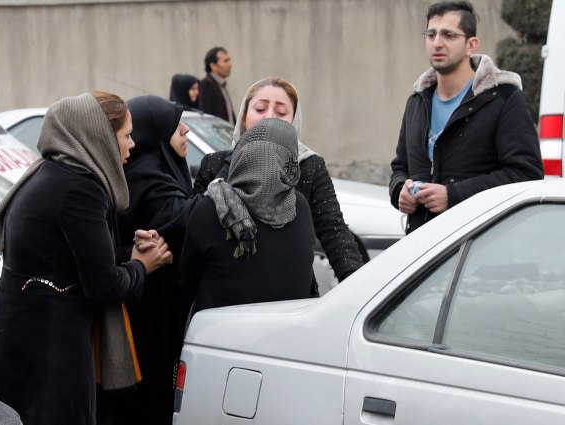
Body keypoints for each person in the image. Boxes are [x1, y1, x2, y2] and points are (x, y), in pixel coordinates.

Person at [0, 91, 173, 425]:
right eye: (126, 136)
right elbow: (103, 284)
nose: (132, 145)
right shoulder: (80, 188)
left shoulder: (49, 174)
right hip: (47, 354)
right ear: (101, 139)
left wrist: (130, 253)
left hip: (18, 340)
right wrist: (142, 266)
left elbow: (68, 259)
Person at [193, 77, 364, 290]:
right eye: (260, 108)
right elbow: (193, 231)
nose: (269, 117)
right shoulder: (215, 164)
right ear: (244, 116)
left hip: (291, 295)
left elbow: (333, 228)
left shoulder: (308, 166)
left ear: (294, 122)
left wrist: (356, 283)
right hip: (227, 295)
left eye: (281, 113)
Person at [389, 0, 544, 234]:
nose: (437, 43)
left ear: (471, 45)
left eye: (449, 35)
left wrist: (453, 195)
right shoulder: (417, 102)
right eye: (431, 35)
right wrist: (400, 189)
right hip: (423, 249)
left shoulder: (503, 99)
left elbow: (526, 175)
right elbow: (400, 167)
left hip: (483, 250)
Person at [111, 95, 202, 425]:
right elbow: (183, 217)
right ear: (158, 133)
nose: (187, 130)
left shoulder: (161, 174)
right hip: (146, 312)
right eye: (178, 125)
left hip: (160, 307)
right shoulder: (144, 181)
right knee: (150, 399)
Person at [180, 118, 315, 311]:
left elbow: (187, 277)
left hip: (218, 335)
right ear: (289, 161)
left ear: (241, 155)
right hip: (288, 333)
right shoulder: (299, 205)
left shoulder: (211, 210)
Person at [198, 46, 236, 124]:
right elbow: (207, 117)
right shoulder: (206, 85)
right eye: (225, 61)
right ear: (213, 65)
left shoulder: (221, 85)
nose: (230, 64)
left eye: (229, 60)